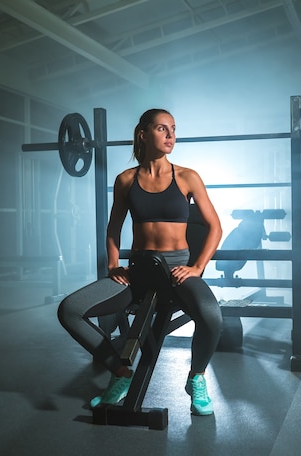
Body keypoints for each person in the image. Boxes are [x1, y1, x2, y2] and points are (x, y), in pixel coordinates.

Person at [58, 108, 223, 416]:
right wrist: (112, 265)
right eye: (163, 129)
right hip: (139, 272)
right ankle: (120, 373)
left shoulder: (188, 177)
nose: (171, 135)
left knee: (212, 318)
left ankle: (196, 377)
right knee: (70, 311)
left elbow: (215, 226)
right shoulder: (125, 180)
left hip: (177, 272)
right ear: (144, 134)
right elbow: (113, 228)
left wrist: (197, 267)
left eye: (173, 129)